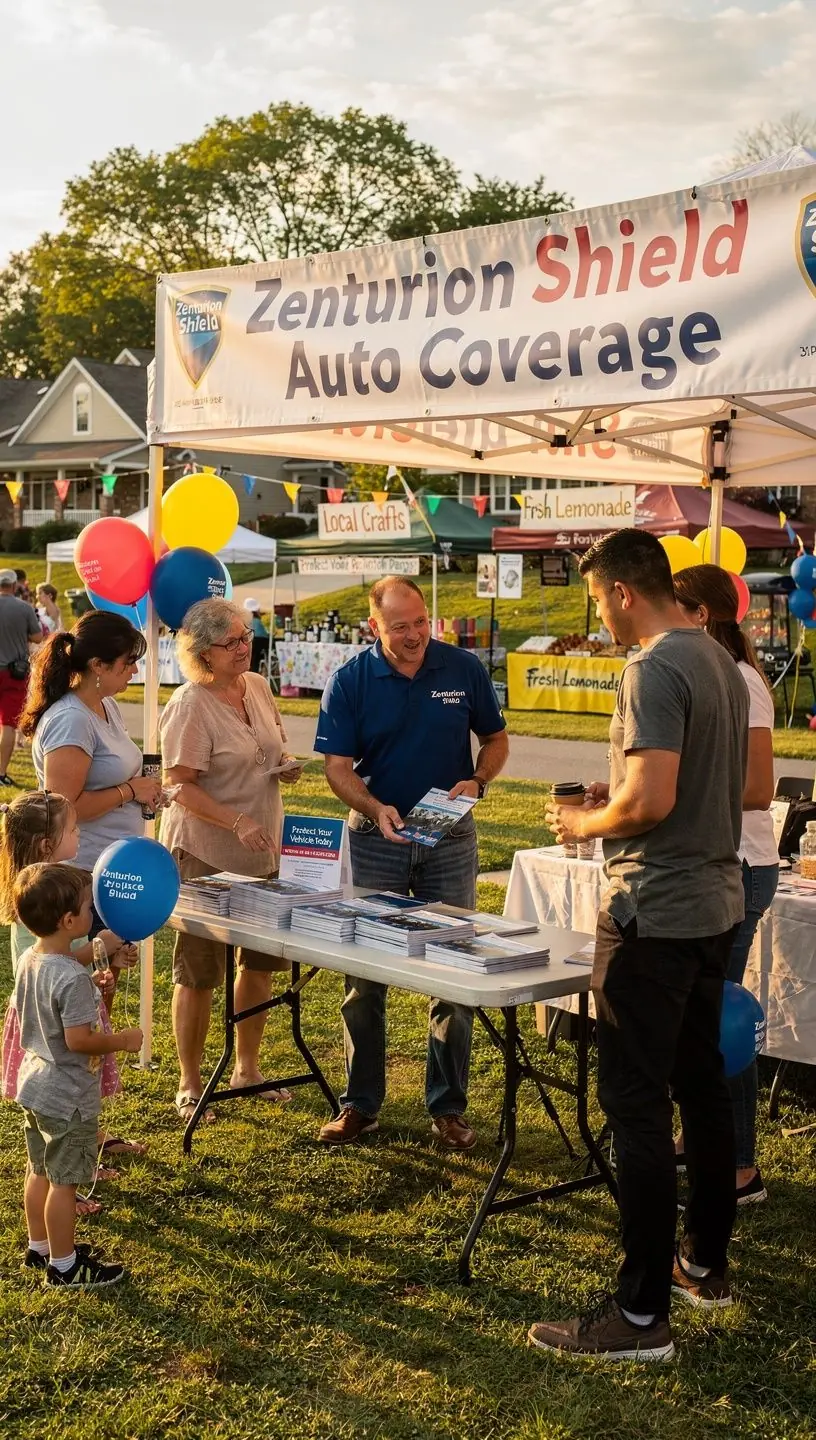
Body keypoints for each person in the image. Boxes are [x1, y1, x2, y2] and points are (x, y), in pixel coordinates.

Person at [529, 529, 748, 1363]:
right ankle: (704, 1264)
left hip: (654, 910)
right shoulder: (719, 660)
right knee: (701, 1085)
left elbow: (653, 800)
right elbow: (680, 781)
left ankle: (641, 1315)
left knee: (636, 1104)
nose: (602, 619)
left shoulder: (654, 665)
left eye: (597, 602)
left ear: (623, 592)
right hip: (710, 905)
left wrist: (591, 819)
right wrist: (613, 789)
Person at [314, 576, 509, 1150]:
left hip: (449, 839)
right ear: (375, 626)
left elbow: (496, 741)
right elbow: (336, 769)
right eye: (400, 626)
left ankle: (447, 1108)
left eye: (421, 622)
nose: (415, 635)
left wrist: (477, 778)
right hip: (376, 840)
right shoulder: (350, 680)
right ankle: (360, 1106)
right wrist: (375, 809)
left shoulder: (461, 669)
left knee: (453, 971)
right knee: (365, 976)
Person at [159, 598, 304, 1126]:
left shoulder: (259, 686)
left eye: (247, 637)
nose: (245, 647)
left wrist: (285, 767)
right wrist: (236, 822)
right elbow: (179, 785)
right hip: (206, 853)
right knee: (199, 972)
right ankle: (190, 1083)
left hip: (263, 850)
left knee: (260, 965)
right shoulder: (189, 704)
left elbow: (272, 748)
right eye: (233, 642)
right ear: (202, 653)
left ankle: (247, 1069)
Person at [674, 563, 777, 1206]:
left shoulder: (741, 680)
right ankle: (705, 1142)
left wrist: (668, 797)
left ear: (701, 616)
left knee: (721, 1017)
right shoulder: (709, 674)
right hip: (714, 863)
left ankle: (740, 1167)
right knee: (699, 1013)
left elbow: (758, 790)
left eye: (674, 608)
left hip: (739, 865)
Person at [0, 789, 143, 1207]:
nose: (80, 834)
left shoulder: (55, 885)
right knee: (67, 1088)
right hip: (53, 1015)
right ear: (49, 844)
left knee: (80, 1088)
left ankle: (89, 1144)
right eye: (74, 828)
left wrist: (108, 952)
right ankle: (70, 1181)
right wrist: (99, 943)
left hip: (70, 1000)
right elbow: (51, 959)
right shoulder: (42, 893)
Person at [13, 862, 142, 1287]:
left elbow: (57, 1002)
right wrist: (123, 1040)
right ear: (69, 921)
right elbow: (79, 1041)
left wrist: (94, 982)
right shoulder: (70, 977)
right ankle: (65, 1267)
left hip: (35, 1087)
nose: (93, 915)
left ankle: (40, 1247)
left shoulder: (33, 959)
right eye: (88, 908)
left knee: (39, 1171)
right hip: (68, 1097)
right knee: (66, 1183)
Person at [20, 611, 162, 968]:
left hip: (108, 865)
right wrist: (131, 791)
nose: (134, 671)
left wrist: (145, 792)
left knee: (103, 991)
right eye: (128, 663)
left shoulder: (105, 705)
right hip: (82, 876)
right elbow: (64, 807)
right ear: (98, 665)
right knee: (86, 995)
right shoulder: (72, 720)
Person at [0, 567, 44, 787]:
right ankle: (0, 773)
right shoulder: (24, 608)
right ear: (15, 585)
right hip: (13, 672)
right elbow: (37, 637)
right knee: (8, 724)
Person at [243, 598, 269, 674]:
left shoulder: (245, 619)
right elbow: (264, 635)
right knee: (256, 658)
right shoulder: (257, 620)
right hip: (260, 641)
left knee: (252, 659)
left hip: (250, 641)